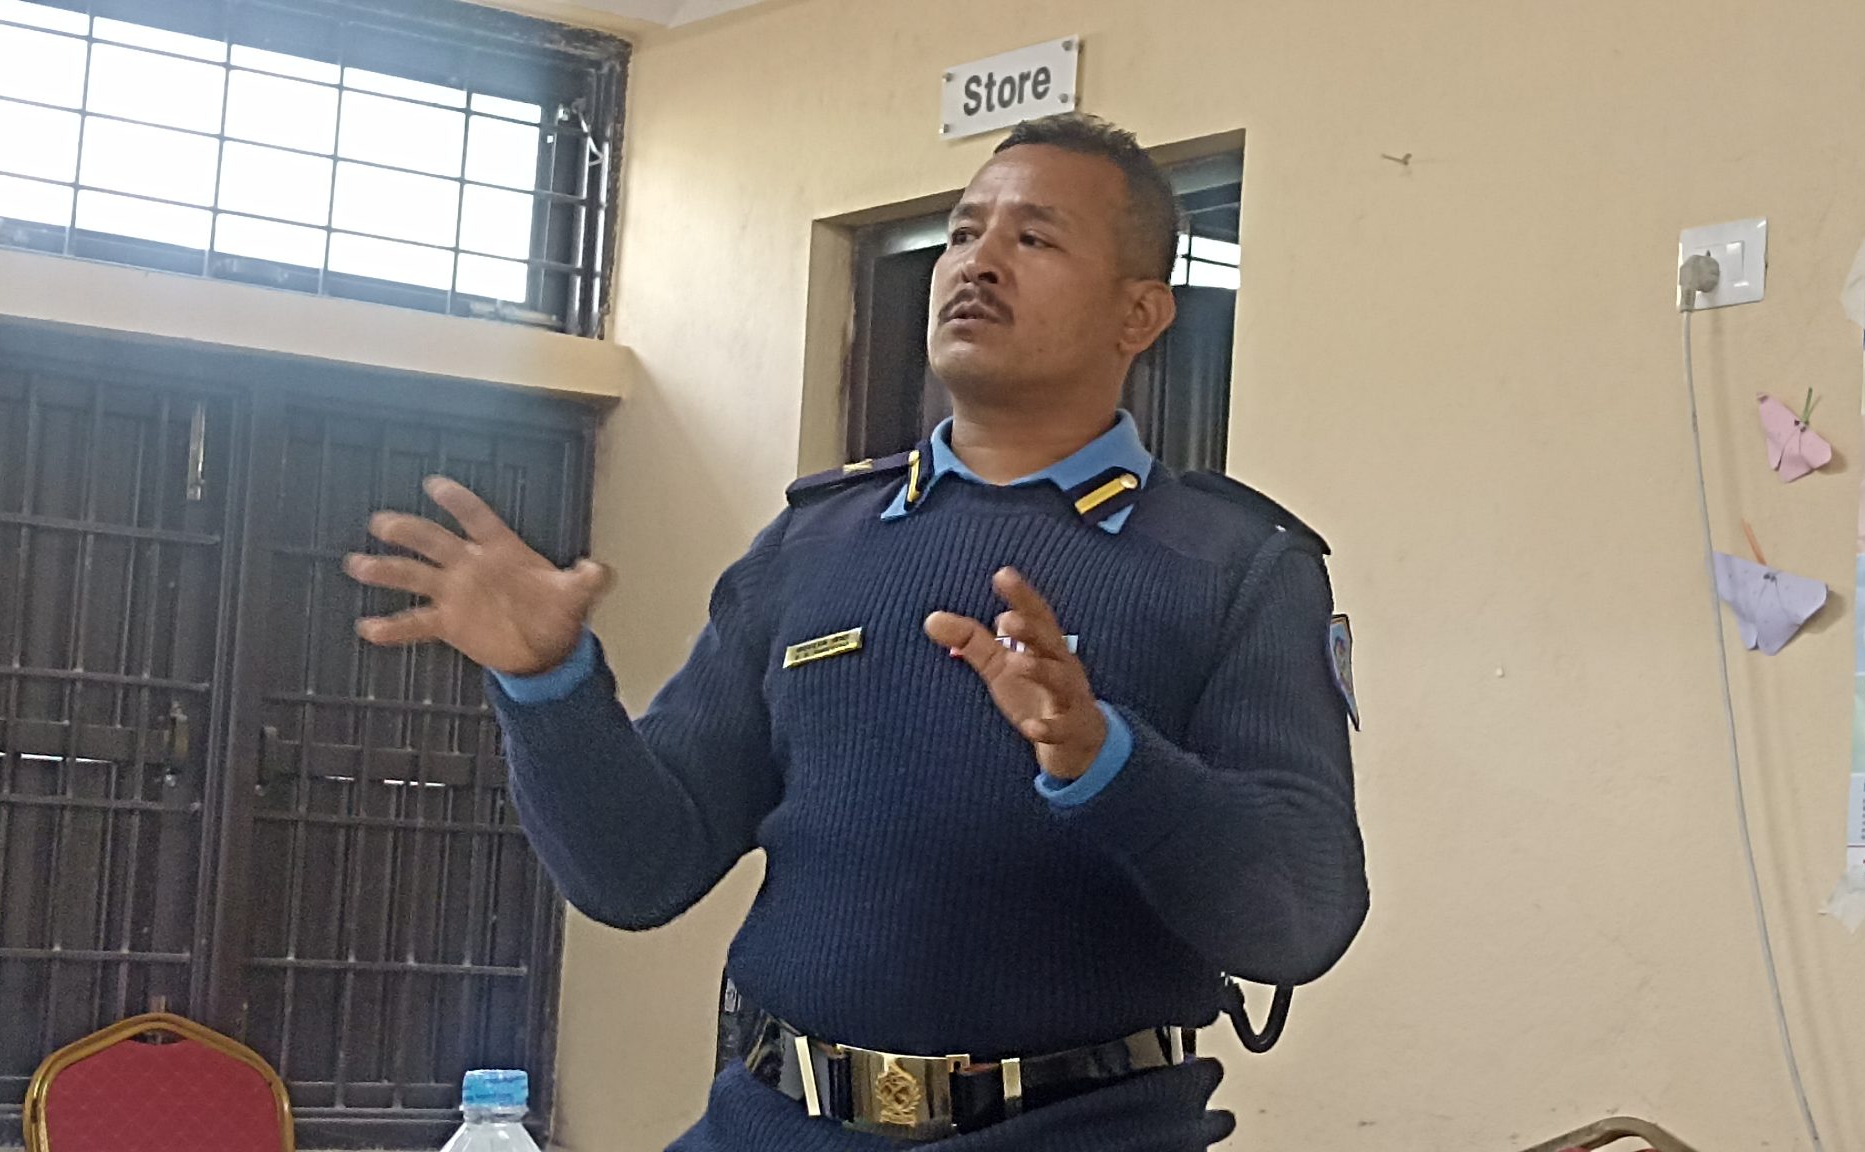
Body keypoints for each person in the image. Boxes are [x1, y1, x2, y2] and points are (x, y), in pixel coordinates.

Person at [344, 114, 1369, 1151]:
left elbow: (1301, 916)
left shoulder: (1236, 566)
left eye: (1034, 237)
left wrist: (1107, 761)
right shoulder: (810, 545)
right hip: (773, 1124)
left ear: (1138, 313)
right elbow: (639, 871)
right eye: (964, 232)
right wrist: (550, 684)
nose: (977, 262)